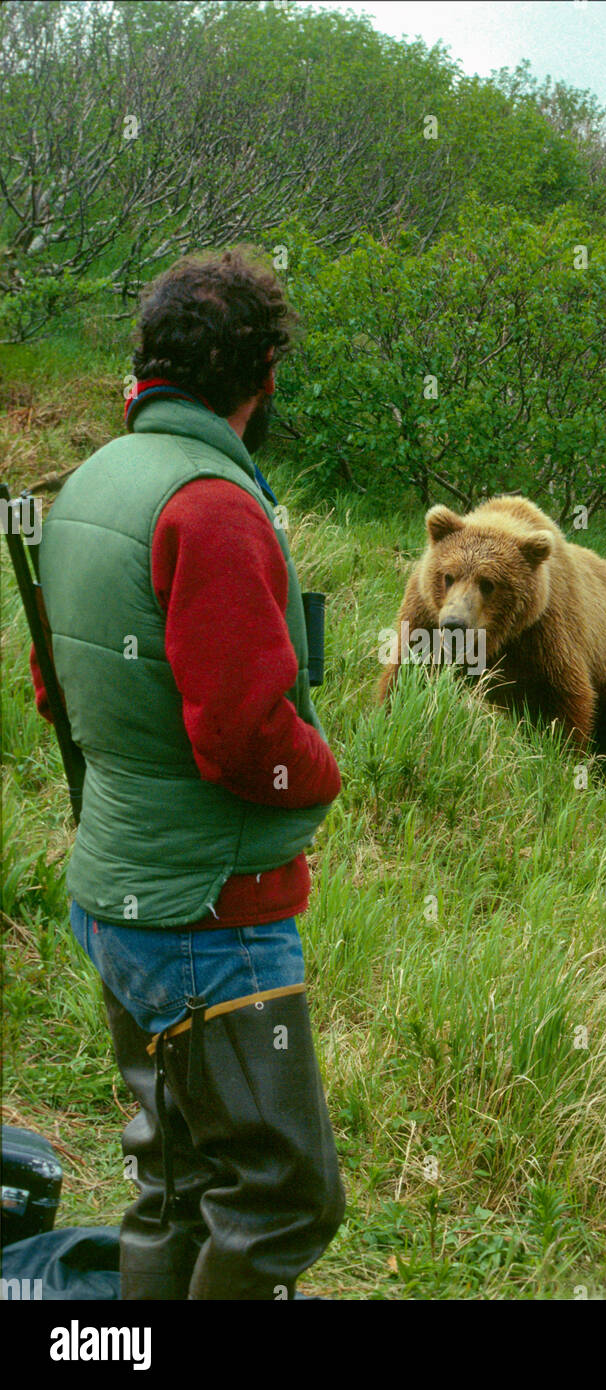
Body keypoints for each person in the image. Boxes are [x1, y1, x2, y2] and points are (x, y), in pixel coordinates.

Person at [29, 247, 345, 1300]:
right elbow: (247, 737)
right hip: (212, 915)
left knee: (173, 1178)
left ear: (146, 361)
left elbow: (53, 687)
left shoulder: (90, 479)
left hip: (116, 892)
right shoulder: (212, 505)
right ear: (262, 375)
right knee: (279, 1196)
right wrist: (321, 772)